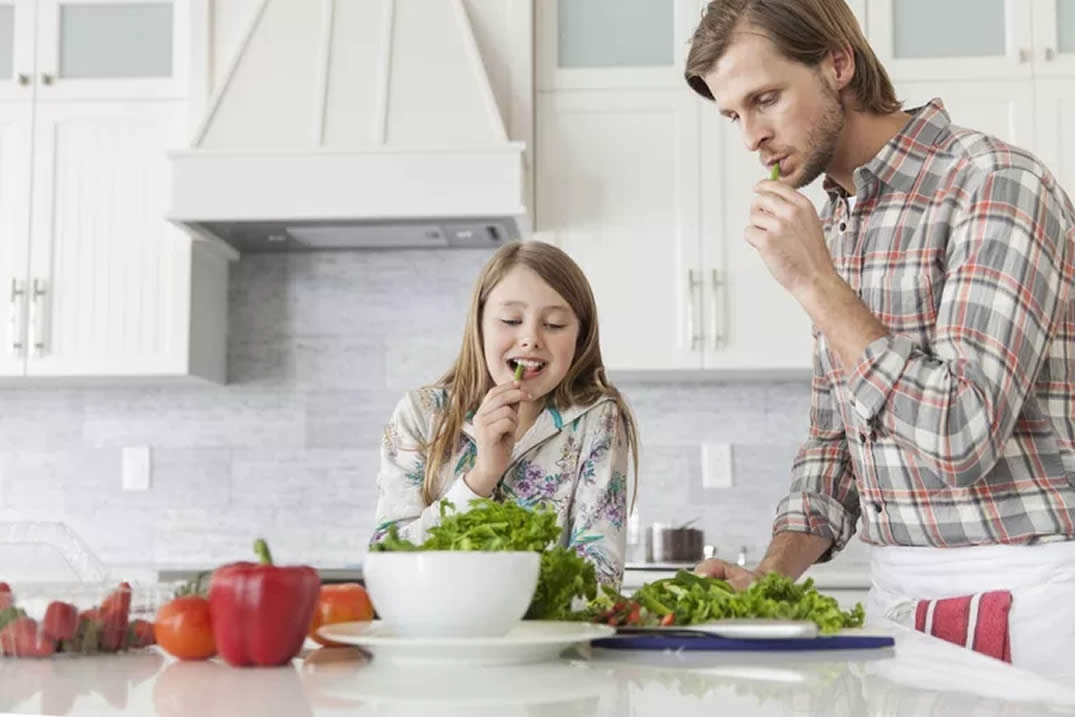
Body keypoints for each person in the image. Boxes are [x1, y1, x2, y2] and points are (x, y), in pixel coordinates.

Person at [685, 0, 1075, 680]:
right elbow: (835, 445)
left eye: (765, 99)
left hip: (1028, 589)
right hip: (898, 593)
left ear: (837, 64)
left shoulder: (993, 183)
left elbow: (962, 431)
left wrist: (815, 285)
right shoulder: (837, 220)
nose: (749, 137)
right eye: (730, 116)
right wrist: (770, 580)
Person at [369, 240, 640, 588]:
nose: (530, 338)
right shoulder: (421, 415)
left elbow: (600, 580)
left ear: (580, 336)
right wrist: (481, 478)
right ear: (479, 323)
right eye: (511, 320)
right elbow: (387, 566)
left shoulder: (597, 419)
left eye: (555, 324)